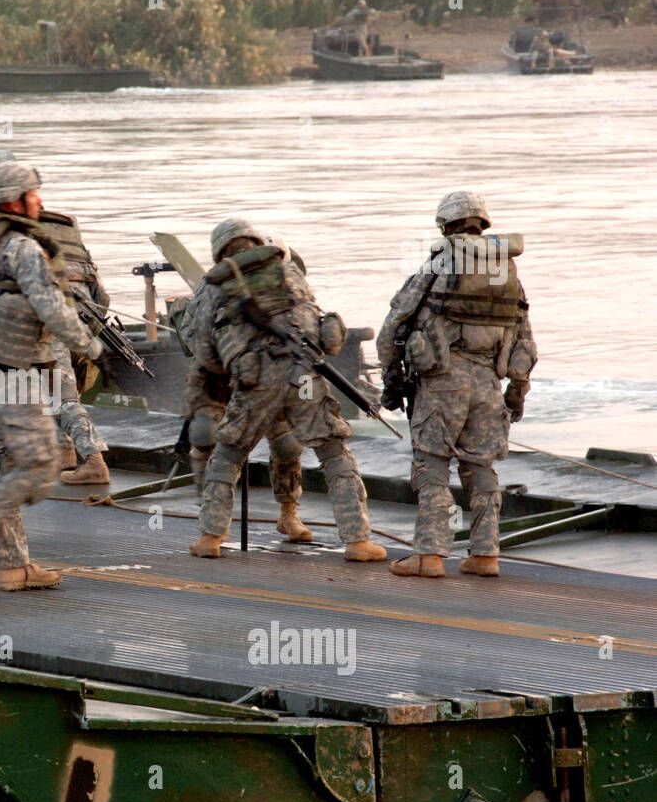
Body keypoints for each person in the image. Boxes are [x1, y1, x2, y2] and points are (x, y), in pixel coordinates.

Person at [0, 161, 103, 592]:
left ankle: (14, 567)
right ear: (14, 199)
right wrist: (89, 344)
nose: (40, 201)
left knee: (8, 464)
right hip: (14, 371)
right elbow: (51, 307)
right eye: (33, 194)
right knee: (42, 463)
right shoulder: (23, 248)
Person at [190, 218, 386, 563]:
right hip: (305, 378)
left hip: (256, 383)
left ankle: (211, 537)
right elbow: (316, 322)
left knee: (229, 454)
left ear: (219, 250)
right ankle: (357, 542)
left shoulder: (213, 285)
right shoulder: (288, 270)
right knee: (333, 451)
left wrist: (233, 362)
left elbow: (204, 350)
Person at [379, 191, 535, 578]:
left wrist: (390, 378)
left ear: (445, 226)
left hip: (441, 383)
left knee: (432, 463)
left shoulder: (437, 266)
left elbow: (393, 329)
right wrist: (516, 394)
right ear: (483, 225)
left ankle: (429, 556)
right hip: (488, 385)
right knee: (481, 467)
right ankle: (485, 555)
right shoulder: (506, 273)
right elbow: (525, 344)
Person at [178, 223, 313, 541]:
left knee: (287, 444)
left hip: (266, 376)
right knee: (205, 434)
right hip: (221, 376)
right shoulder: (216, 284)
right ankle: (210, 514)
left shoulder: (286, 281)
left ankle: (288, 514)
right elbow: (195, 336)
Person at [46, 215, 111, 484]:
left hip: (50, 322)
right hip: (84, 319)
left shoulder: (18, 241)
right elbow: (103, 298)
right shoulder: (70, 240)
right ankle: (65, 453)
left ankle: (94, 461)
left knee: (61, 396)